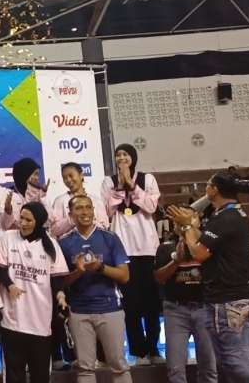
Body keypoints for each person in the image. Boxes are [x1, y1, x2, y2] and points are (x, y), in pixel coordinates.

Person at [167, 172, 249, 383]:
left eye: (208, 184)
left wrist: (187, 226)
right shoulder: (232, 214)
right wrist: (188, 227)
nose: (205, 188)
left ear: (215, 189)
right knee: (236, 361)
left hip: (229, 300)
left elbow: (199, 253)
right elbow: (206, 243)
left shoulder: (225, 218)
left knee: (234, 362)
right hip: (237, 297)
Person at [57, 195, 132, 383]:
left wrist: (100, 268)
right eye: (79, 208)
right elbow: (60, 283)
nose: (85, 212)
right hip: (79, 311)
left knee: (119, 365)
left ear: (93, 210)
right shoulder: (64, 243)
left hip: (110, 308)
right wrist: (79, 272)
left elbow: (125, 276)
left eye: (88, 207)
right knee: (85, 368)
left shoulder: (110, 238)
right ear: (70, 214)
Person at [0, 201, 69, 383]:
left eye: (28, 220)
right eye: (21, 218)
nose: (23, 223)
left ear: (39, 221)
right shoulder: (8, 238)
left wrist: (61, 297)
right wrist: (10, 285)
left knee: (40, 376)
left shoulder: (51, 245)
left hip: (40, 323)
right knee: (14, 376)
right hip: (12, 321)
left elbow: (57, 280)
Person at [104, 144, 162, 365]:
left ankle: (154, 349)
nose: (121, 158)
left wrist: (132, 185)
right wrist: (121, 185)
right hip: (123, 248)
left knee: (151, 302)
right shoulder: (108, 182)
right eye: (118, 155)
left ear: (133, 157)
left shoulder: (148, 179)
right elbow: (107, 210)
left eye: (125, 154)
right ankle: (139, 352)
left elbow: (151, 206)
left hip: (147, 248)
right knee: (130, 304)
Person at [154, 218, 216, 383]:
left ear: (198, 222)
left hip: (205, 308)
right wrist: (176, 261)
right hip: (175, 310)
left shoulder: (209, 246)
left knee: (209, 367)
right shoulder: (166, 247)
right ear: (174, 226)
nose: (183, 224)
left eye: (189, 219)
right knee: (175, 368)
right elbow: (159, 278)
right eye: (179, 221)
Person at [49, 163, 109, 238]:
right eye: (65, 178)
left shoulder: (96, 201)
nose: (68, 180)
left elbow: (105, 227)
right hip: (69, 244)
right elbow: (53, 230)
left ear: (81, 175)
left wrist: (87, 220)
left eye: (71, 176)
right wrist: (71, 220)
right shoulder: (60, 201)